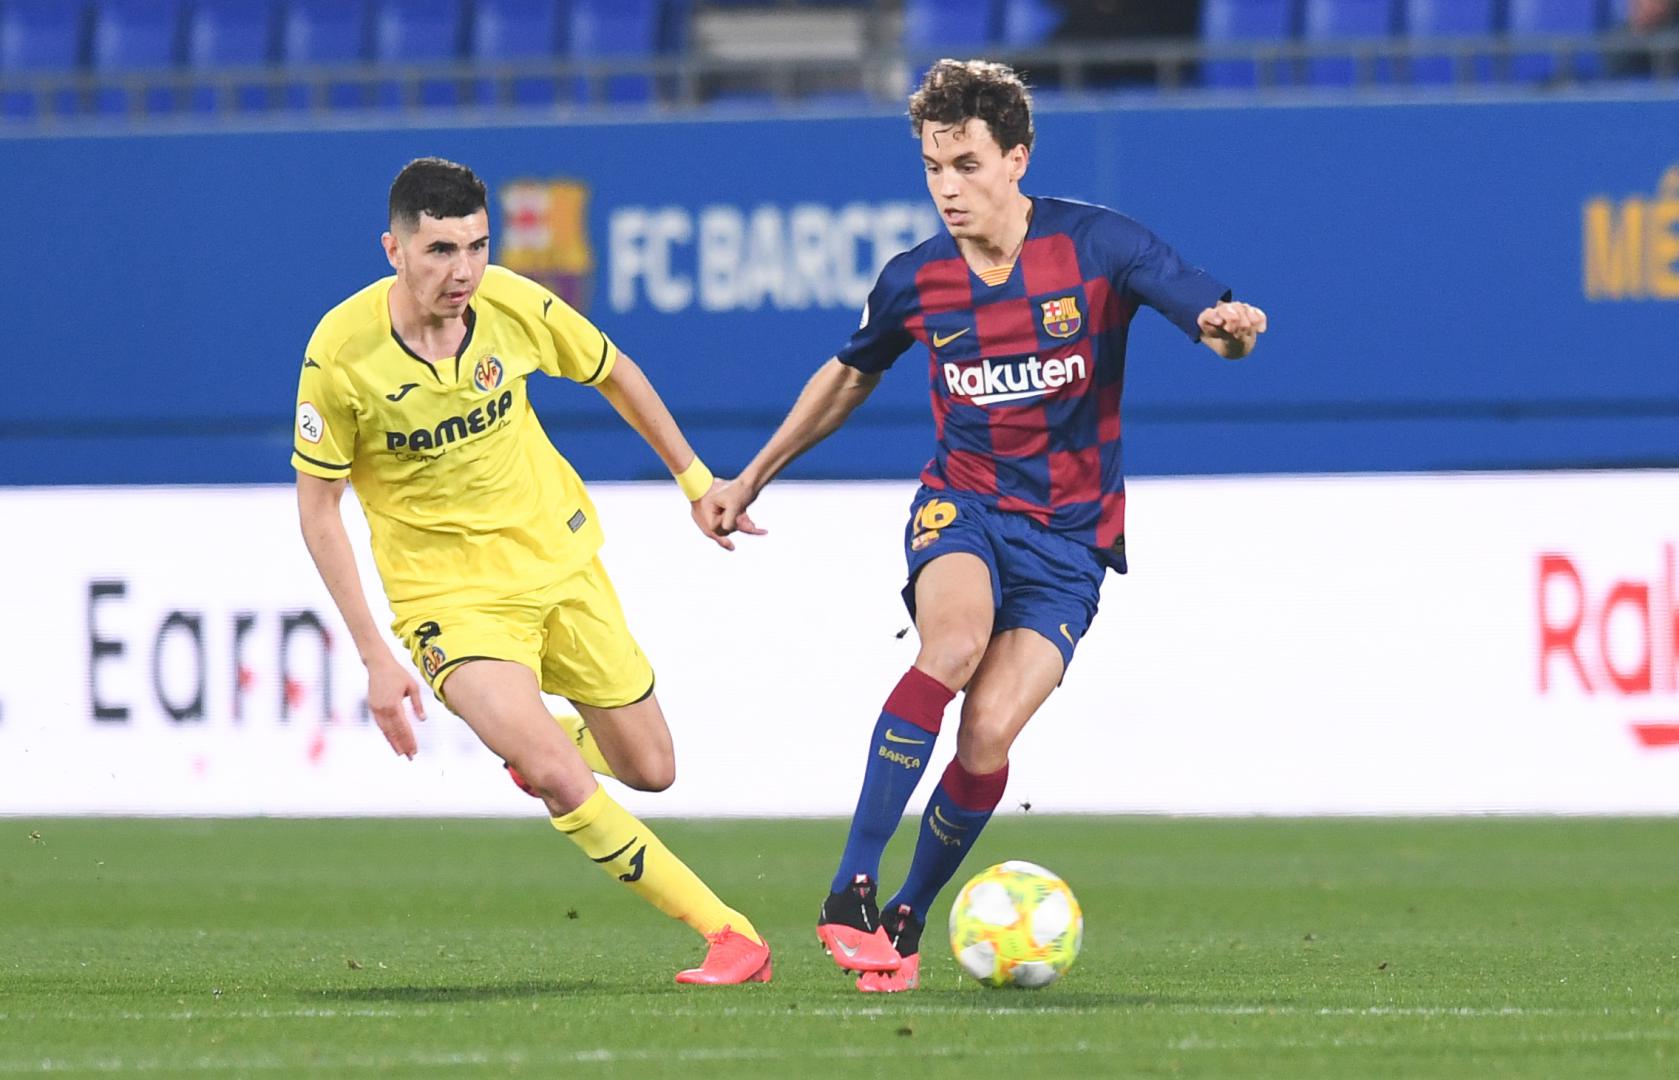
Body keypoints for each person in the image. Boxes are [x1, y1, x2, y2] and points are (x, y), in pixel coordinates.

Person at [702, 59, 1265, 992]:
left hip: (1071, 542)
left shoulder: (1098, 246)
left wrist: (1232, 327)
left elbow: (1208, 318)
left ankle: (907, 920)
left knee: (988, 738)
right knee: (952, 646)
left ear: (1016, 158)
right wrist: (752, 475)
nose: (947, 188)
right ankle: (849, 883)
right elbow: (849, 375)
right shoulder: (915, 280)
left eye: (964, 164)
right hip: (959, 505)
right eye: (932, 168)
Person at [293, 157, 771, 986]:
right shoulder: (341, 353)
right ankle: (729, 934)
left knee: (652, 769)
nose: (464, 271)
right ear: (393, 250)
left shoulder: (509, 303)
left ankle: (540, 745)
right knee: (556, 774)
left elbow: (613, 369)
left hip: (559, 562)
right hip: (449, 601)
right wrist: (376, 654)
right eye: (440, 250)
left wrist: (696, 481)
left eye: (476, 246)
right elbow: (318, 508)